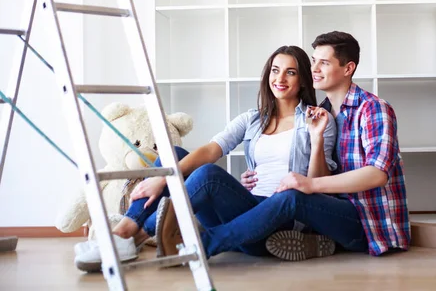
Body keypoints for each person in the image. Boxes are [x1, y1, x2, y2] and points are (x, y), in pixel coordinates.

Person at [74, 45, 337, 270]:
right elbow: (211, 150)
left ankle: (128, 235)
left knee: (209, 176)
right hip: (244, 208)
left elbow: (317, 185)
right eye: (275, 70)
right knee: (174, 156)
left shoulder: (316, 120)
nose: (280, 78)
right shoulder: (253, 119)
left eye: (290, 72)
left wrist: (316, 140)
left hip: (277, 218)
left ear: (302, 79)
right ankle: (128, 232)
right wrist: (163, 179)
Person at [158, 31, 410, 262]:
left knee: (285, 195)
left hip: (364, 221)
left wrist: (308, 182)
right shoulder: (323, 113)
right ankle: (140, 227)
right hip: (317, 213)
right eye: (313, 61)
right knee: (175, 157)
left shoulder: (372, 108)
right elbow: (216, 149)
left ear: (348, 68)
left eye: (324, 62)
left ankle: (197, 243)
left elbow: (377, 174)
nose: (314, 69)